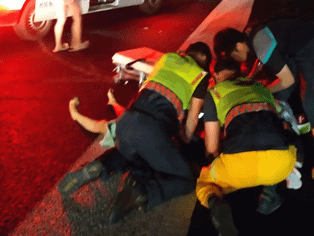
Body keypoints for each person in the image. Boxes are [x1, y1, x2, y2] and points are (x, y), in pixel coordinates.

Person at [58, 42, 213, 224]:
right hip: (153, 130)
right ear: (204, 62)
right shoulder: (200, 76)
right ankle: (141, 192)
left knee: (138, 154)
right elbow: (193, 118)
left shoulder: (168, 58)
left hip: (127, 121)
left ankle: (102, 165)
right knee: (186, 179)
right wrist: (185, 138)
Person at [213, 18, 314, 182]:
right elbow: (262, 62)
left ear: (238, 46)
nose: (237, 61)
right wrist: (252, 79)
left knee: (313, 101)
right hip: (293, 52)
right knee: (277, 97)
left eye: (234, 56)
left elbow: (287, 80)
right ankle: (282, 140)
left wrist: (260, 90)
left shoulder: (259, 42)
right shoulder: (251, 36)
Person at [196, 58, 299, 236]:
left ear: (218, 75)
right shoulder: (261, 88)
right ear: (239, 73)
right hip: (279, 166)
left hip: (238, 169)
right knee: (287, 142)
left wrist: (213, 163)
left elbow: (212, 147)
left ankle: (216, 203)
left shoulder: (213, 92)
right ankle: (269, 194)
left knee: (205, 184)